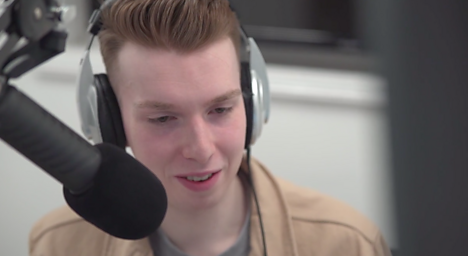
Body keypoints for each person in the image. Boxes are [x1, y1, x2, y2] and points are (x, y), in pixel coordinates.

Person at [29, 0, 392, 255]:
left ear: (252, 101)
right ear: (108, 122)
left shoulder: (348, 244)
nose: (201, 149)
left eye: (220, 109)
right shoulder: (59, 245)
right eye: (163, 118)